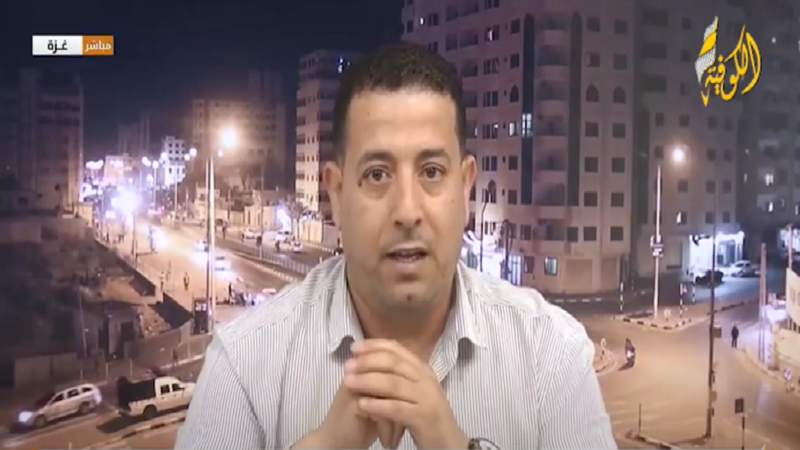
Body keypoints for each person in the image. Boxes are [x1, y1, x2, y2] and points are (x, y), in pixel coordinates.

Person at [175, 42, 615, 450]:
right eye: (377, 175)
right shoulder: (244, 363)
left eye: (431, 172)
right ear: (336, 194)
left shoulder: (549, 353)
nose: (407, 210)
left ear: (465, 189)